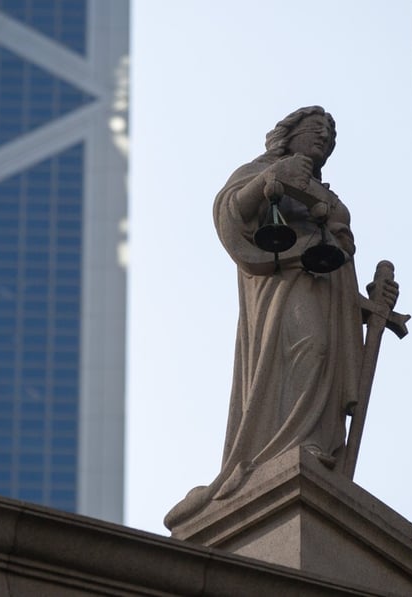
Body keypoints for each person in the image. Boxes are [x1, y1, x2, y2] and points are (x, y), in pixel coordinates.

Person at [165, 106, 391, 530]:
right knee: (309, 348)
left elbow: (339, 262)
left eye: (328, 134)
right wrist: (277, 179)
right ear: (289, 135)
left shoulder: (330, 198)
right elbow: (231, 213)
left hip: (322, 287)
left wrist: (371, 304)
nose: (322, 138)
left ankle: (313, 446)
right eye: (314, 130)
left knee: (321, 355)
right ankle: (285, 447)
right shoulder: (262, 170)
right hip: (281, 285)